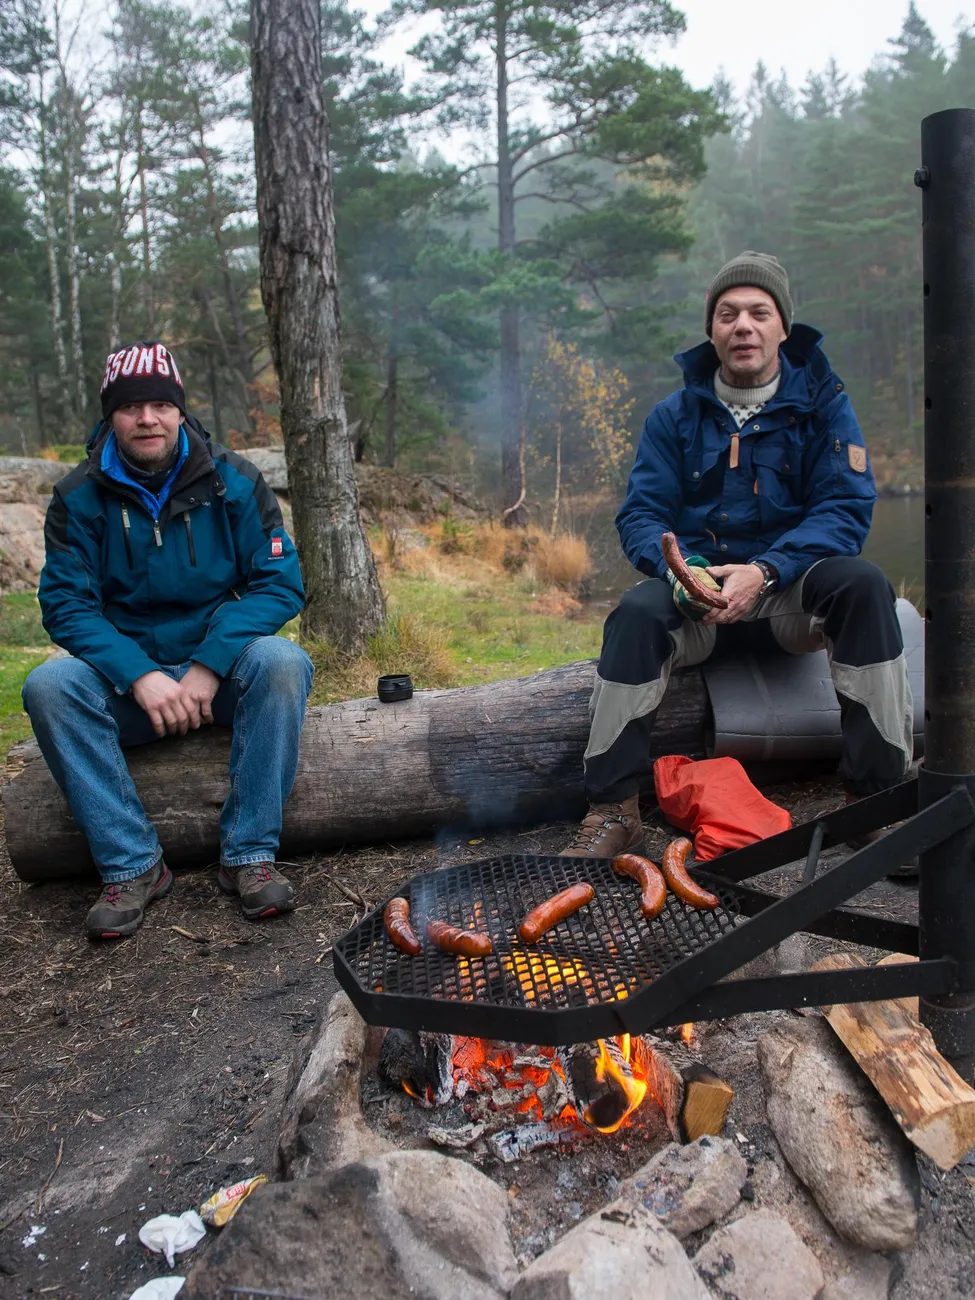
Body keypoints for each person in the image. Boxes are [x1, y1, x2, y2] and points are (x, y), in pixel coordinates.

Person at [562, 251, 913, 858]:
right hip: (698, 603)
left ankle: (874, 802)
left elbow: (845, 513)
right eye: (728, 314)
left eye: (758, 312)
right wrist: (684, 573)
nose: (742, 326)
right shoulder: (673, 417)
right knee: (635, 613)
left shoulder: (824, 406)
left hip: (790, 597)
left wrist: (768, 570)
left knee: (863, 584)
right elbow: (641, 515)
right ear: (711, 331)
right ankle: (614, 810)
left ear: (783, 327)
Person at [23, 340, 314, 939]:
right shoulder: (77, 498)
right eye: (132, 408)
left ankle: (250, 856)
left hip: (220, 676)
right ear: (111, 416)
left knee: (283, 662)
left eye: (160, 404)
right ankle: (133, 866)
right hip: (132, 687)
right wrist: (139, 674)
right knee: (49, 685)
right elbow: (66, 605)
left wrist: (209, 663)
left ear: (181, 411)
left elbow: (279, 585)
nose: (147, 419)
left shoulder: (234, 481)